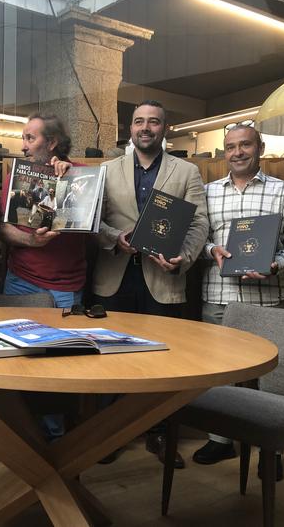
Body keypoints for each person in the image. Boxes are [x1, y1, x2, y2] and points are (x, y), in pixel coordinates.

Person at [92, 100, 209, 466]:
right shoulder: (107, 170)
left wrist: (183, 258)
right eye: (139, 121)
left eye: (154, 122)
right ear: (130, 129)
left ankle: (160, 434)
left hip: (163, 277)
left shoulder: (186, 171)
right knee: (110, 360)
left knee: (162, 362)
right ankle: (108, 435)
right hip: (115, 277)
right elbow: (92, 220)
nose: (146, 127)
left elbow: (199, 223)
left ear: (165, 129)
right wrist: (114, 238)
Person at [193, 124, 284, 476]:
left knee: (273, 377)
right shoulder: (207, 192)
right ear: (224, 152)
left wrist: (276, 263)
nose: (238, 152)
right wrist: (210, 249)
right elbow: (195, 241)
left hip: (270, 299)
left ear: (260, 147)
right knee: (217, 372)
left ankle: (272, 450)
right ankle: (219, 440)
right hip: (219, 296)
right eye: (231, 147)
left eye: (245, 145)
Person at [0, 113, 85, 308]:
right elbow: (2, 229)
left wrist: (71, 181)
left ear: (52, 142)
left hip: (65, 288)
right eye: (23, 138)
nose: (23, 146)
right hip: (21, 282)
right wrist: (31, 240)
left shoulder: (80, 174)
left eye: (30, 138)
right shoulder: (15, 177)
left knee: (64, 339)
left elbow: (96, 221)